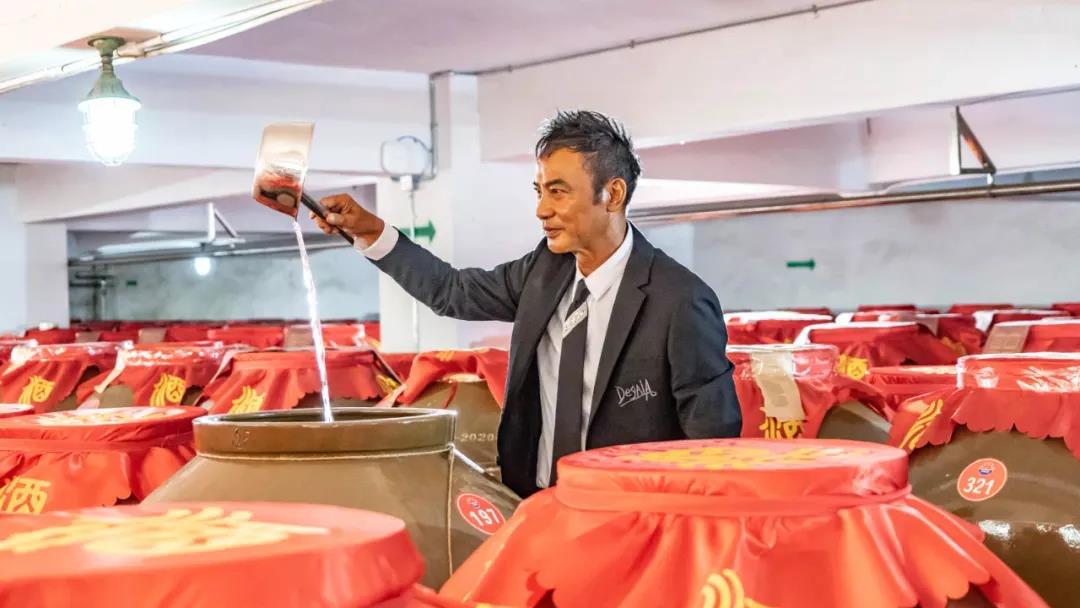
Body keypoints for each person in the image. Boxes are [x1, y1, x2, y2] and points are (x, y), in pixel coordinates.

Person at [313, 110, 740, 498]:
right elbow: (452, 291)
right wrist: (371, 231)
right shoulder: (543, 271)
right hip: (533, 502)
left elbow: (712, 444)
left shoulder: (679, 300)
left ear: (612, 194)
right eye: (539, 191)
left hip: (628, 512)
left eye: (558, 192)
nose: (541, 209)